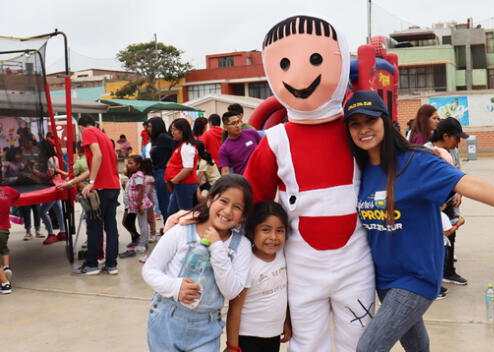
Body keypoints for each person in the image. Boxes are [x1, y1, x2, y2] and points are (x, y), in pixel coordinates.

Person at [344, 90, 494, 352]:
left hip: (416, 279)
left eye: (370, 121)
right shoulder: (359, 170)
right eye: (355, 124)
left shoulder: (416, 163)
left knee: (367, 348)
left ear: (384, 120)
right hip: (383, 280)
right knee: (417, 347)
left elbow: (472, 185)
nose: (363, 130)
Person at [243, 16, 376, 351]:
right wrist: (202, 217)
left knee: (359, 340)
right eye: (283, 63)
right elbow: (249, 197)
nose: (297, 73)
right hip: (301, 263)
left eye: (317, 59)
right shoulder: (274, 140)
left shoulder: (356, 130)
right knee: (306, 342)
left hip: (355, 261)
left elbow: (396, 167)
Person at [142, 175, 253, 352]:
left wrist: (217, 247)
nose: (227, 210)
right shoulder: (181, 231)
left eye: (237, 207)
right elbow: (149, 270)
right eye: (223, 201)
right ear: (209, 200)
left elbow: (232, 291)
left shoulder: (241, 246)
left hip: (206, 330)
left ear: (243, 216)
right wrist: (175, 287)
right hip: (166, 321)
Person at [58, 115, 121, 276]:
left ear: (80, 127)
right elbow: (95, 165)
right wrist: (72, 182)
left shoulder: (88, 132)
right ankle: (111, 265)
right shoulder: (104, 136)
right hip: (113, 187)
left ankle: (92, 264)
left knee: (93, 227)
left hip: (101, 189)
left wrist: (92, 182)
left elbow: (97, 156)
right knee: (111, 227)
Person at [225, 201, 292, 352]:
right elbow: (235, 308)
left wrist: (286, 321)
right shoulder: (247, 264)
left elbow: (282, 295)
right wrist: (232, 346)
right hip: (248, 338)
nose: (273, 237)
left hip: (274, 336)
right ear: (251, 231)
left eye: (280, 230)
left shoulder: (282, 256)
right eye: (266, 230)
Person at [428, 117, 469, 286]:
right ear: (445, 136)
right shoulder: (428, 151)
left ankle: (448, 271)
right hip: (434, 204)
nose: (458, 142)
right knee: (435, 239)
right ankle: (434, 276)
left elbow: (457, 172)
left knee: (450, 238)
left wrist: (459, 190)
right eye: (456, 138)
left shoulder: (452, 151)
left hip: (449, 201)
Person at [120, 156, 153, 258]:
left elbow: (140, 190)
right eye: (128, 163)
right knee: (140, 223)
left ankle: (143, 244)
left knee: (142, 224)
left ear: (138, 165)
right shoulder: (134, 175)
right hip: (137, 205)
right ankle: (142, 242)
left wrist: (139, 204)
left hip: (140, 204)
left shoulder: (138, 175)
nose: (128, 166)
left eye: (131, 163)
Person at [166, 118, 199, 217]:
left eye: (174, 129)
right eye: (172, 129)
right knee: (173, 213)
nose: (172, 132)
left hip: (185, 184)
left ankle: (188, 232)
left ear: (182, 131)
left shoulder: (187, 146)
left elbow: (188, 168)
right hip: (181, 184)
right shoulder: (182, 146)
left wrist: (173, 181)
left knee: (185, 215)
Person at [38, 141, 68, 245]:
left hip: (53, 187)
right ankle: (63, 232)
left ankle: (51, 234)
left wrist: (34, 172)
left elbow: (49, 175)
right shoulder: (54, 158)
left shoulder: (49, 159)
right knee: (58, 209)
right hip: (58, 185)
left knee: (42, 211)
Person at [147, 117, 174, 222]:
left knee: (164, 202)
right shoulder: (157, 139)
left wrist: (169, 163)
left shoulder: (163, 137)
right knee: (162, 202)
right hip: (157, 172)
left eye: (150, 126)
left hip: (163, 172)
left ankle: (169, 226)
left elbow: (176, 149)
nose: (148, 128)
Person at [218, 111, 261, 176]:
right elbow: (225, 172)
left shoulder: (252, 133)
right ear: (225, 127)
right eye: (233, 123)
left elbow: (264, 149)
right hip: (244, 182)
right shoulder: (224, 149)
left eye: (238, 122)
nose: (237, 125)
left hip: (262, 175)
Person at [0, 186, 20, 294]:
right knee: (4, 248)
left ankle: (5, 284)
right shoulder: (8, 190)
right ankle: (7, 267)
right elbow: (17, 194)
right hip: (4, 230)